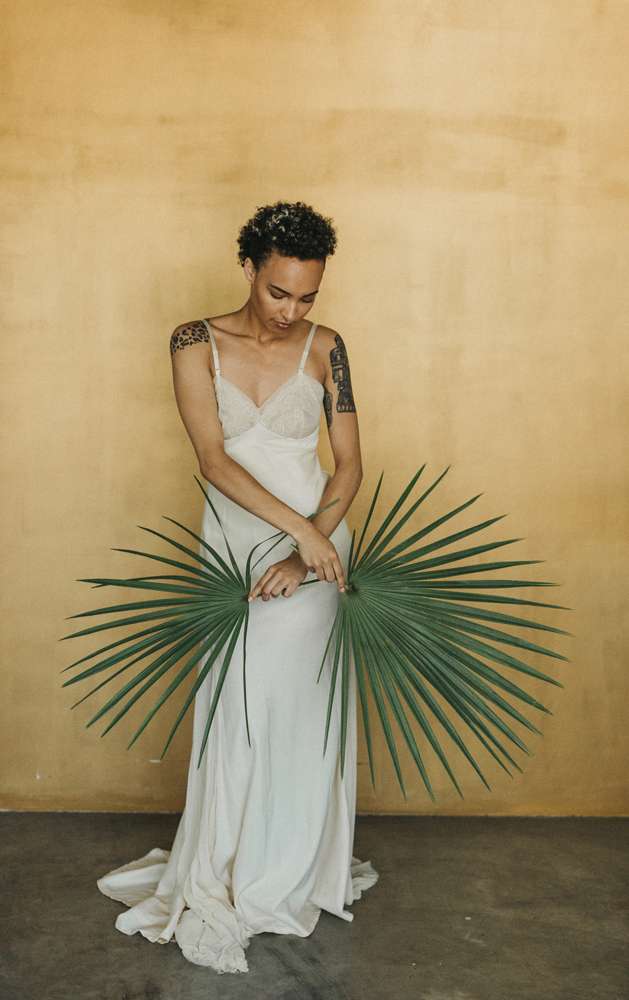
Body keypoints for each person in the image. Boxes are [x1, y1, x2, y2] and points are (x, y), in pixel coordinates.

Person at [96, 200, 378, 973]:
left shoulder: (328, 348)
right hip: (236, 548)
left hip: (316, 551)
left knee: (299, 709)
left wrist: (311, 547)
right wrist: (298, 535)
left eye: (307, 296)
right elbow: (213, 460)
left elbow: (349, 464)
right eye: (278, 291)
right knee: (239, 708)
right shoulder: (194, 341)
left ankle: (290, 866)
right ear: (249, 268)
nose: (291, 311)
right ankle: (230, 862)